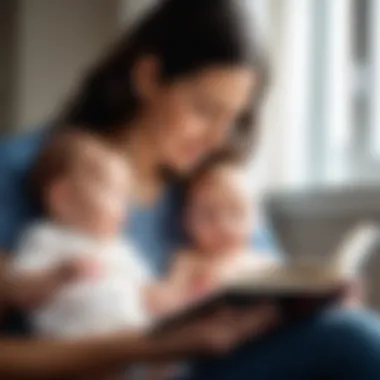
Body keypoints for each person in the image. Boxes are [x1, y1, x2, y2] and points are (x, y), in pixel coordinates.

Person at [1, 0, 380, 379]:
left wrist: (313, 300)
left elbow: (271, 286)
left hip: (217, 363)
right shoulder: (28, 169)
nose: (218, 139)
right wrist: (152, 344)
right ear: (147, 78)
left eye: (231, 119)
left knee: (347, 330)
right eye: (203, 110)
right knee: (352, 341)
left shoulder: (210, 191)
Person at [154, 157, 276, 314]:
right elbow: (166, 302)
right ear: (187, 221)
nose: (223, 225)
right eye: (208, 215)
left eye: (235, 213)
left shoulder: (262, 264)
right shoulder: (187, 262)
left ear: (254, 220)